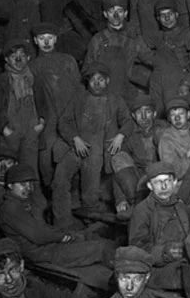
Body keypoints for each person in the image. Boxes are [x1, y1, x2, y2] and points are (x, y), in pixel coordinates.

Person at [0, 163, 115, 288]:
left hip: (45, 247)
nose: (28, 188)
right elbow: (39, 235)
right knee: (101, 248)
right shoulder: (11, 208)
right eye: (22, 184)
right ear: (10, 185)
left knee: (86, 236)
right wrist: (63, 237)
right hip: (43, 253)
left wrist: (66, 234)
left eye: (30, 184)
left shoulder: (19, 203)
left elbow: (41, 228)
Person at [51, 63, 131, 227]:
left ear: (107, 81)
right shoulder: (79, 99)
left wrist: (120, 136)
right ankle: (62, 224)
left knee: (90, 191)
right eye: (92, 80)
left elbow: (128, 121)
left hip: (99, 152)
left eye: (100, 79)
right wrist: (75, 138)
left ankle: (90, 220)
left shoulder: (115, 100)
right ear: (87, 82)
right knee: (60, 180)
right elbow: (64, 122)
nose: (96, 83)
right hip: (75, 148)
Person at [29, 22, 81, 185]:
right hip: (47, 121)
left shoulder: (68, 61)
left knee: (74, 155)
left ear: (55, 39)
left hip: (70, 117)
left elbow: (79, 89)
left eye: (49, 38)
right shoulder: (32, 66)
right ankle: (51, 198)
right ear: (35, 41)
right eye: (42, 38)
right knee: (46, 161)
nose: (46, 42)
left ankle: (72, 196)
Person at [128, 161, 190, 290]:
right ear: (150, 185)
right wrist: (164, 253)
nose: (164, 186)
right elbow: (137, 251)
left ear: (174, 182)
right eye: (158, 182)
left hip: (180, 262)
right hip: (155, 270)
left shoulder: (180, 206)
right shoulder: (142, 211)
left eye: (167, 181)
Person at [0, 40, 46, 178]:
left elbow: (45, 105)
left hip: (31, 133)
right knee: (7, 173)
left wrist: (40, 125)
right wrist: (5, 130)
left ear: (28, 58)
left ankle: (33, 199)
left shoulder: (36, 80)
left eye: (22, 55)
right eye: (13, 55)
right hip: (9, 134)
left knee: (30, 172)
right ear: (6, 59)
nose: (18, 59)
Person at [84, 0, 152, 103]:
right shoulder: (98, 39)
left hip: (125, 92)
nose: (115, 15)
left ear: (125, 14)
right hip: (102, 92)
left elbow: (150, 58)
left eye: (119, 11)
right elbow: (87, 68)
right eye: (111, 11)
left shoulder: (133, 39)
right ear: (105, 14)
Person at [110, 93, 162, 220]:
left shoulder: (163, 130)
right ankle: (136, 205)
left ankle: (146, 208)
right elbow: (119, 171)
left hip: (162, 178)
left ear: (154, 114)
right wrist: (120, 199)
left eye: (147, 112)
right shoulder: (130, 136)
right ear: (133, 116)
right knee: (118, 158)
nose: (143, 117)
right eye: (139, 113)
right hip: (139, 183)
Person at [147, 0, 190, 113]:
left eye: (170, 14)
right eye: (163, 16)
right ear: (158, 19)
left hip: (180, 81)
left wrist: (186, 83)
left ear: (176, 15)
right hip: (158, 82)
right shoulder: (158, 37)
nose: (167, 18)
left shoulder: (187, 34)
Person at [157, 96, 190, 180]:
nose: (177, 118)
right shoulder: (166, 140)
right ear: (169, 119)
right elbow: (173, 173)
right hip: (181, 182)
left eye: (181, 113)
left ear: (188, 115)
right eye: (173, 115)